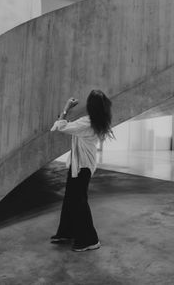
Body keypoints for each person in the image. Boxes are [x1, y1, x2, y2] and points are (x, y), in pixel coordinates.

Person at [50, 89, 113, 252]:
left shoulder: (87, 122)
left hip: (82, 167)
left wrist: (66, 108)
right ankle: (67, 232)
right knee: (71, 199)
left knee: (79, 202)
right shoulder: (98, 121)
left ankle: (90, 240)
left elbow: (59, 126)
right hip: (81, 166)